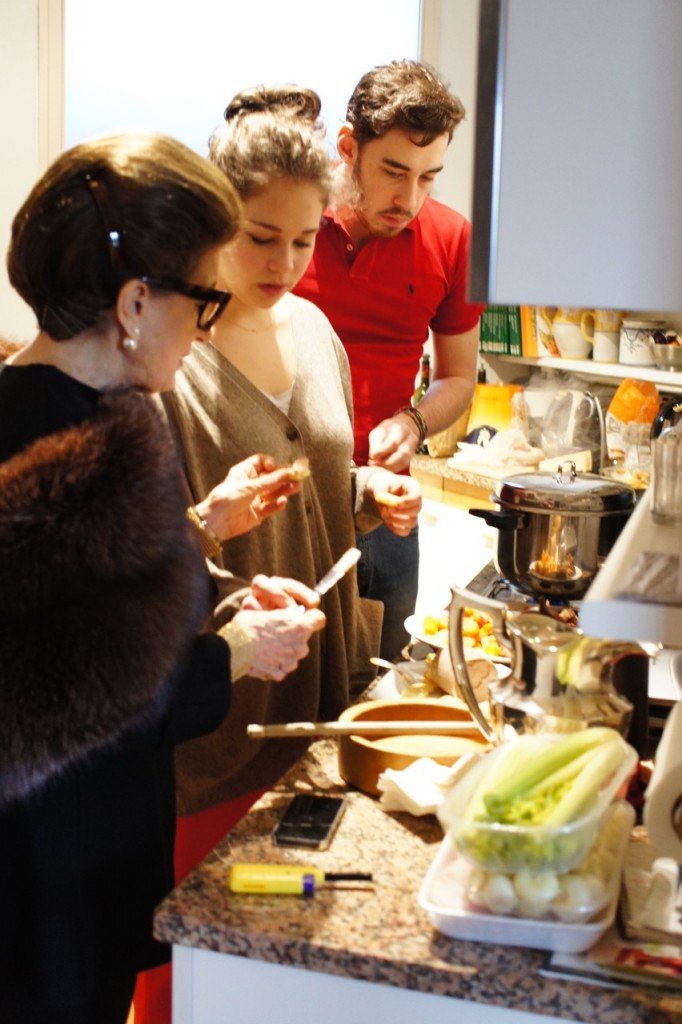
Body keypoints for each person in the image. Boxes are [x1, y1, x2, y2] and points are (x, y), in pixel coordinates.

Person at [0, 130, 325, 1024]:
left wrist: (211, 576)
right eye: (204, 301)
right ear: (137, 302)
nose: (207, 327)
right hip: (43, 896)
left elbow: (95, 597)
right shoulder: (63, 442)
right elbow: (81, 699)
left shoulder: (64, 409)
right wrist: (233, 652)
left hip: (68, 870)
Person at [164, 82, 422, 870]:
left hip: (322, 705)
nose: (285, 263)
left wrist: (366, 495)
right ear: (213, 220)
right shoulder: (168, 357)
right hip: (224, 723)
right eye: (260, 238)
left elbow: (316, 482)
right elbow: (146, 550)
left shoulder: (314, 331)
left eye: (305, 240)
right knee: (203, 958)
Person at [295, 59, 486, 660]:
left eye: (429, 177)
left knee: (378, 676)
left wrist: (413, 423)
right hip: (290, 498)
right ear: (348, 148)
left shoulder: (453, 239)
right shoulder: (290, 224)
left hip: (388, 511)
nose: (409, 198)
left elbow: (458, 378)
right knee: (282, 682)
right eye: (393, 171)